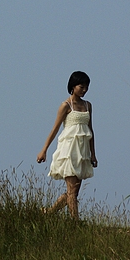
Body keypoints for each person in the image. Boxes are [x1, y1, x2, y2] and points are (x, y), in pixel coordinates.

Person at [37, 71, 97, 219]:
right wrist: (44, 150)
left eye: (86, 87)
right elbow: (55, 129)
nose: (84, 90)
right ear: (73, 86)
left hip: (82, 151)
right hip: (69, 150)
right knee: (71, 190)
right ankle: (75, 222)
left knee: (74, 191)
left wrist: (93, 154)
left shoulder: (88, 105)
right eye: (81, 87)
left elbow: (90, 130)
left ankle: (48, 213)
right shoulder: (66, 105)